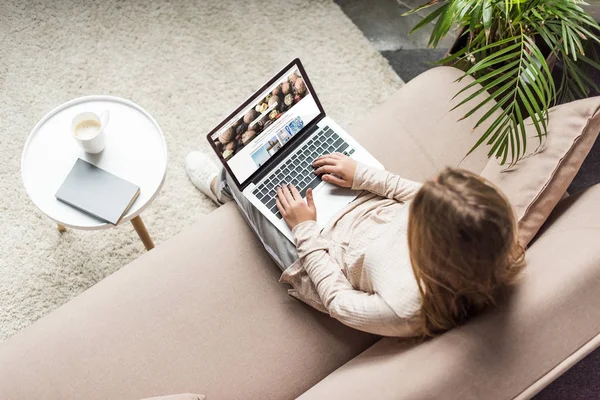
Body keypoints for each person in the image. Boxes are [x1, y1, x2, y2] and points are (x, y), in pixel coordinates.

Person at [185, 151, 525, 338]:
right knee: (310, 150)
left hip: (322, 255)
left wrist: (305, 230)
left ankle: (224, 189)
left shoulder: (402, 308)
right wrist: (361, 174)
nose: (422, 192)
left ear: (427, 241)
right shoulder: (486, 230)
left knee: (246, 178)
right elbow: (422, 195)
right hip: (365, 207)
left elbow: (337, 300)